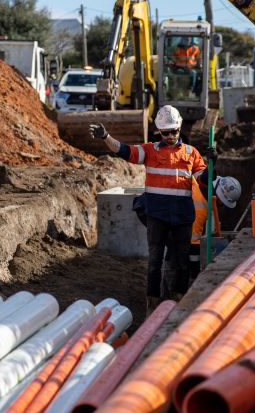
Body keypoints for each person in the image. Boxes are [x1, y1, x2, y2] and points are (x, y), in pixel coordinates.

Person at [90, 105, 216, 310]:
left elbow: (203, 179)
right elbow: (125, 150)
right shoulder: (149, 151)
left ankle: (179, 299)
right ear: (159, 131)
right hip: (157, 216)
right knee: (155, 261)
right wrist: (106, 137)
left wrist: (213, 164)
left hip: (182, 217)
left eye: (174, 131)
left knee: (182, 261)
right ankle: (153, 302)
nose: (170, 136)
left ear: (179, 128)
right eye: (166, 132)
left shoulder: (191, 153)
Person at [189, 174, 241, 282]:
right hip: (160, 217)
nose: (220, 206)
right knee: (175, 257)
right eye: (221, 203)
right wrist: (195, 275)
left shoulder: (210, 183)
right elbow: (193, 243)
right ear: (217, 195)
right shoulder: (200, 208)